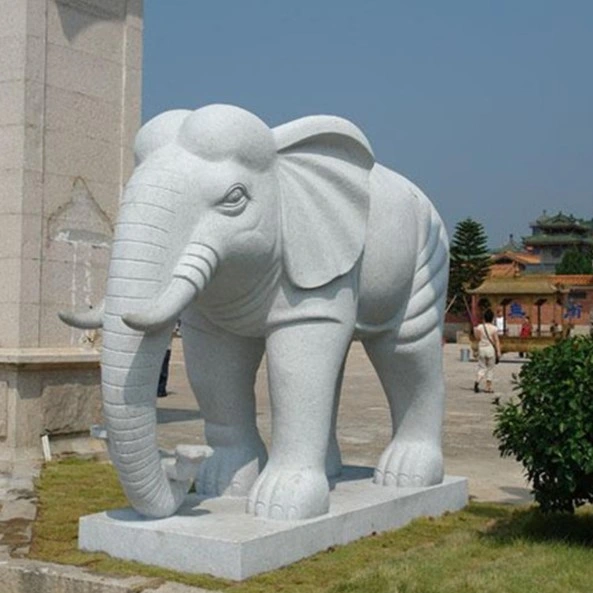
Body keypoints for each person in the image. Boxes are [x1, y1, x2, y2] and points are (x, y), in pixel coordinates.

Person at [473, 309, 501, 394]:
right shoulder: (494, 328)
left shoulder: (480, 327)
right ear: (492, 318)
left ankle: (477, 380)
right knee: (490, 368)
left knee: (482, 367)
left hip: (481, 348)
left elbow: (477, 338)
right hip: (490, 349)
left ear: (484, 318)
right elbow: (496, 341)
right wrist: (498, 352)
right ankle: (488, 387)